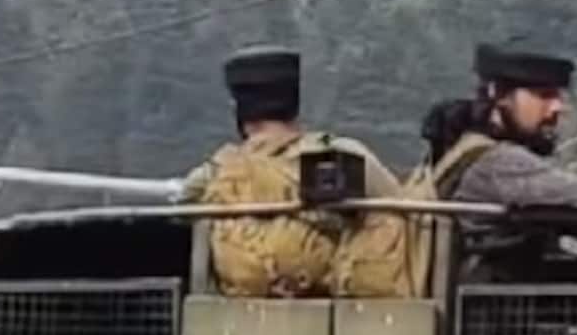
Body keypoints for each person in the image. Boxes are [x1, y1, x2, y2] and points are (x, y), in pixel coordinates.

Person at [178, 44, 421, 297]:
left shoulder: (218, 169)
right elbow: (400, 207)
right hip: (342, 310)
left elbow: (182, 205)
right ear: (294, 100)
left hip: (237, 312)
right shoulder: (333, 149)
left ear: (238, 110)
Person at [413, 42, 577, 213]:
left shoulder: (458, 150)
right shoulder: (497, 163)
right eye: (544, 95)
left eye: (558, 96)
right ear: (498, 94)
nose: (557, 107)